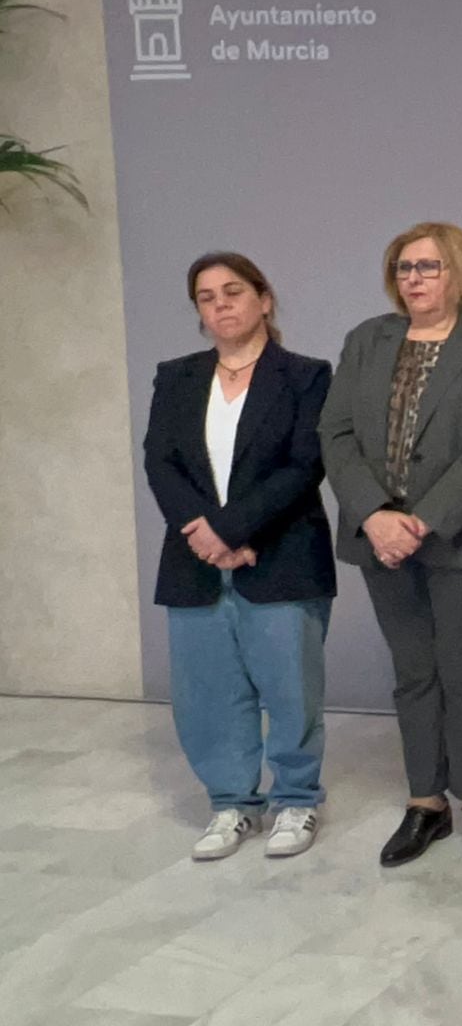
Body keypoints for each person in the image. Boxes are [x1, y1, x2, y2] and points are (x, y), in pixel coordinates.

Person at [319, 222, 462, 869]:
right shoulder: (368, 339)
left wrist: (418, 521)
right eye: (405, 267)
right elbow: (337, 433)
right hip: (378, 540)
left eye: (429, 267)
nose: (414, 279)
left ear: (460, 273)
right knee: (414, 674)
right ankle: (425, 803)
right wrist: (378, 516)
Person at [142, 252, 335, 860]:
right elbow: (160, 462)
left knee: (290, 689)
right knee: (208, 691)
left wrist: (230, 529)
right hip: (194, 559)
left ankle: (296, 802)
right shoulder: (176, 376)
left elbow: (303, 465)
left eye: (232, 291)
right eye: (206, 296)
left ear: (264, 299)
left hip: (281, 554)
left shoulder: (305, 375)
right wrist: (204, 534)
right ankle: (231, 805)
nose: (220, 304)